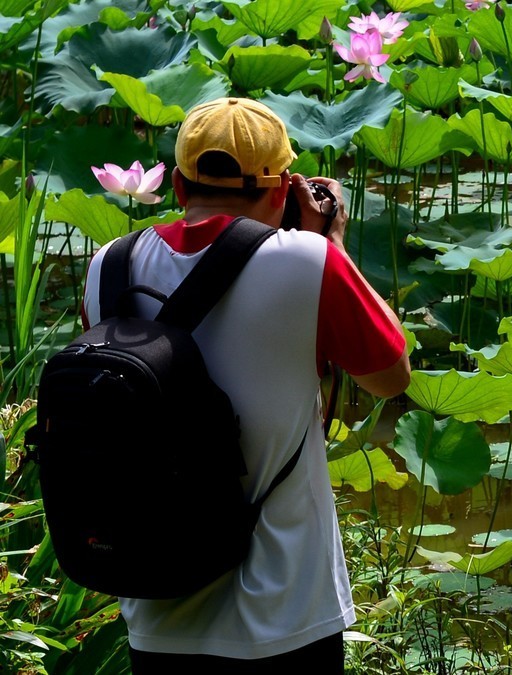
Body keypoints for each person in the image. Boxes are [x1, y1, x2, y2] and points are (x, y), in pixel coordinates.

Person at [79, 98, 411, 673]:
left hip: (154, 602)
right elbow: (388, 378)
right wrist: (331, 243)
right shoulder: (310, 262)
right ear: (283, 189)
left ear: (179, 186)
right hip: (287, 616)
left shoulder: (108, 265)